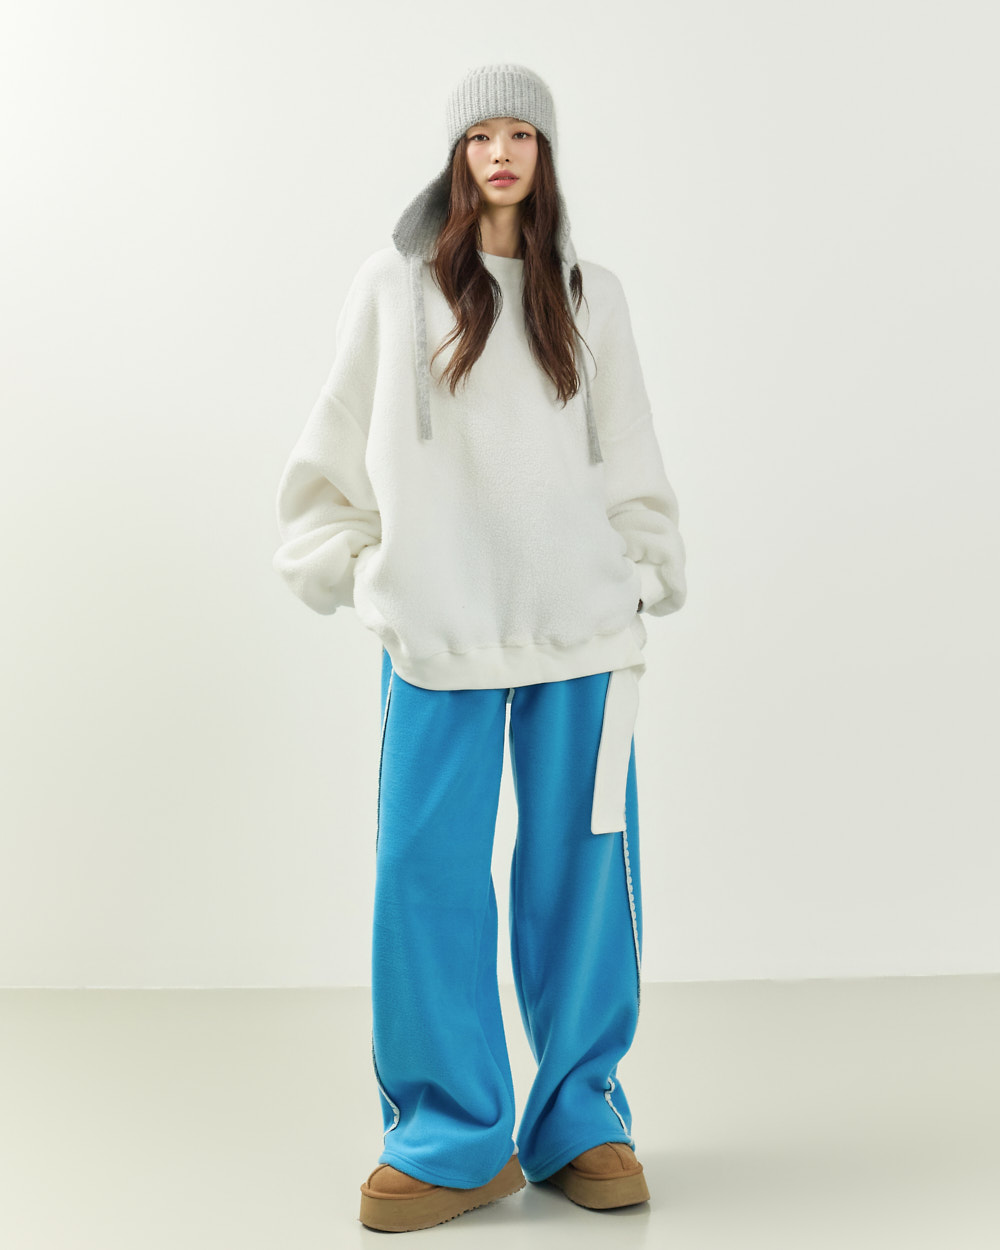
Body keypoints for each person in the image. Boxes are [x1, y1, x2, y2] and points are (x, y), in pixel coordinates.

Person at [272, 62, 688, 1233]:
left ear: (544, 155)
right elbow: (331, 453)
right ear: (454, 158)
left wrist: (643, 565)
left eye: (520, 135)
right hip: (438, 630)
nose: (499, 154)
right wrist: (363, 569)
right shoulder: (394, 287)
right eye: (479, 137)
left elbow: (630, 450)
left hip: (583, 632)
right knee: (425, 877)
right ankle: (451, 1134)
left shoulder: (590, 296)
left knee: (582, 878)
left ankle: (579, 1117)